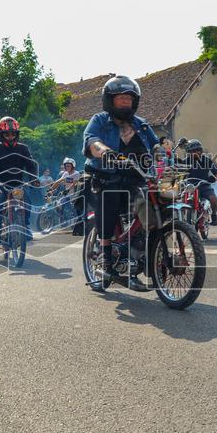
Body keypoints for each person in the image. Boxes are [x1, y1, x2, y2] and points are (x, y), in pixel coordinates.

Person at [83, 74, 160, 290]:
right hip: (103, 178)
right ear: (110, 100)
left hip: (134, 180)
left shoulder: (141, 124)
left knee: (154, 207)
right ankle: (106, 258)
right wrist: (105, 151)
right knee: (110, 199)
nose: (126, 102)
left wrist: (164, 150)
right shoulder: (100, 120)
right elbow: (91, 141)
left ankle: (144, 256)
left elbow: (156, 145)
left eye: (129, 98)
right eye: (121, 98)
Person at [0, 116, 38, 246]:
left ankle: (25, 227)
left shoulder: (23, 148)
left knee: (27, 202)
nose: (10, 137)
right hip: (0, 184)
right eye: (7, 134)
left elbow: (31, 165)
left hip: (18, 183)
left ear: (16, 134)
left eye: (13, 134)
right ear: (1, 134)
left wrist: (33, 178)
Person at [178, 139, 217, 225]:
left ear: (201, 150)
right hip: (189, 186)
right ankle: (181, 221)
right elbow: (179, 175)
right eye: (193, 151)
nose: (197, 152)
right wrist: (180, 181)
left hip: (204, 185)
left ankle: (214, 215)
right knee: (181, 203)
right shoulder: (184, 162)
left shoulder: (207, 160)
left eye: (198, 150)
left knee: (214, 200)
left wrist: (214, 179)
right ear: (189, 152)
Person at [50, 157, 85, 235]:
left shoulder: (76, 173)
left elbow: (74, 184)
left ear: (73, 166)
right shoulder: (65, 173)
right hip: (67, 194)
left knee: (75, 210)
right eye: (66, 166)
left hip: (75, 195)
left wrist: (68, 189)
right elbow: (58, 181)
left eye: (68, 166)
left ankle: (78, 225)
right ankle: (63, 221)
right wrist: (50, 189)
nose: (67, 167)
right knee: (59, 204)